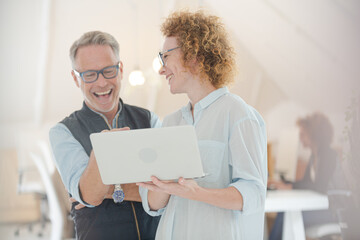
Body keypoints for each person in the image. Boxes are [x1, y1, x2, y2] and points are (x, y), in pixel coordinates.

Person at [137, 10, 268, 240]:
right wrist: (159, 183)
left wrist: (197, 192)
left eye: (165, 56)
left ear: (193, 54)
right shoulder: (171, 122)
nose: (161, 68)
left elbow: (254, 195)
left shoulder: (239, 114)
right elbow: (153, 205)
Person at [49, 31, 161, 240]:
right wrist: (143, 185)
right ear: (76, 78)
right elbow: (90, 194)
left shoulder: (150, 120)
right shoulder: (62, 133)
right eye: (89, 74)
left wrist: (107, 190)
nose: (101, 83)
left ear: (120, 70)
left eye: (108, 71)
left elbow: (167, 190)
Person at [268, 112, 338, 240]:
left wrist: (287, 186)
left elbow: (319, 186)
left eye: (302, 135)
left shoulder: (329, 155)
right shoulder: (314, 156)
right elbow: (305, 182)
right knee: (284, 212)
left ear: (314, 135)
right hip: (319, 208)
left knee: (286, 214)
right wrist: (284, 183)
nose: (300, 138)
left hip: (331, 212)